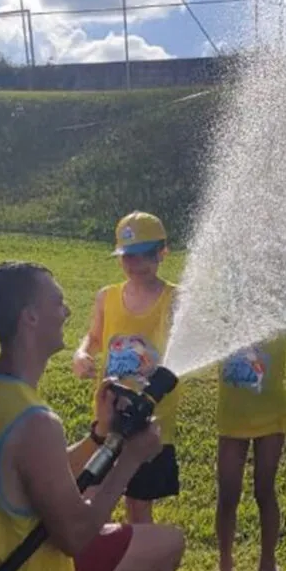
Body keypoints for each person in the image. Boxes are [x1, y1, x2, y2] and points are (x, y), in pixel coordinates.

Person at [0, 261, 184, 571]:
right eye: (57, 303)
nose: (67, 311)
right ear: (30, 317)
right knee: (168, 544)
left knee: (165, 543)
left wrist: (99, 436)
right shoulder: (35, 422)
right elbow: (75, 536)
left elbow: (31, 472)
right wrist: (131, 459)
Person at [73, 212, 183, 525]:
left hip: (150, 419)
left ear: (163, 252)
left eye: (144, 256)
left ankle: (140, 564)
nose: (135, 265)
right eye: (127, 257)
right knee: (98, 492)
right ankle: (115, 560)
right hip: (109, 414)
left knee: (138, 503)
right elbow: (94, 338)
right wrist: (81, 354)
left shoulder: (174, 298)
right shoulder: (106, 297)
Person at [203, 333, 286, 571]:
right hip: (231, 416)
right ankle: (224, 568)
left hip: (270, 415)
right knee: (227, 494)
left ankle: (267, 568)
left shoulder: (278, 311)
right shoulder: (227, 313)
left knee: (264, 490)